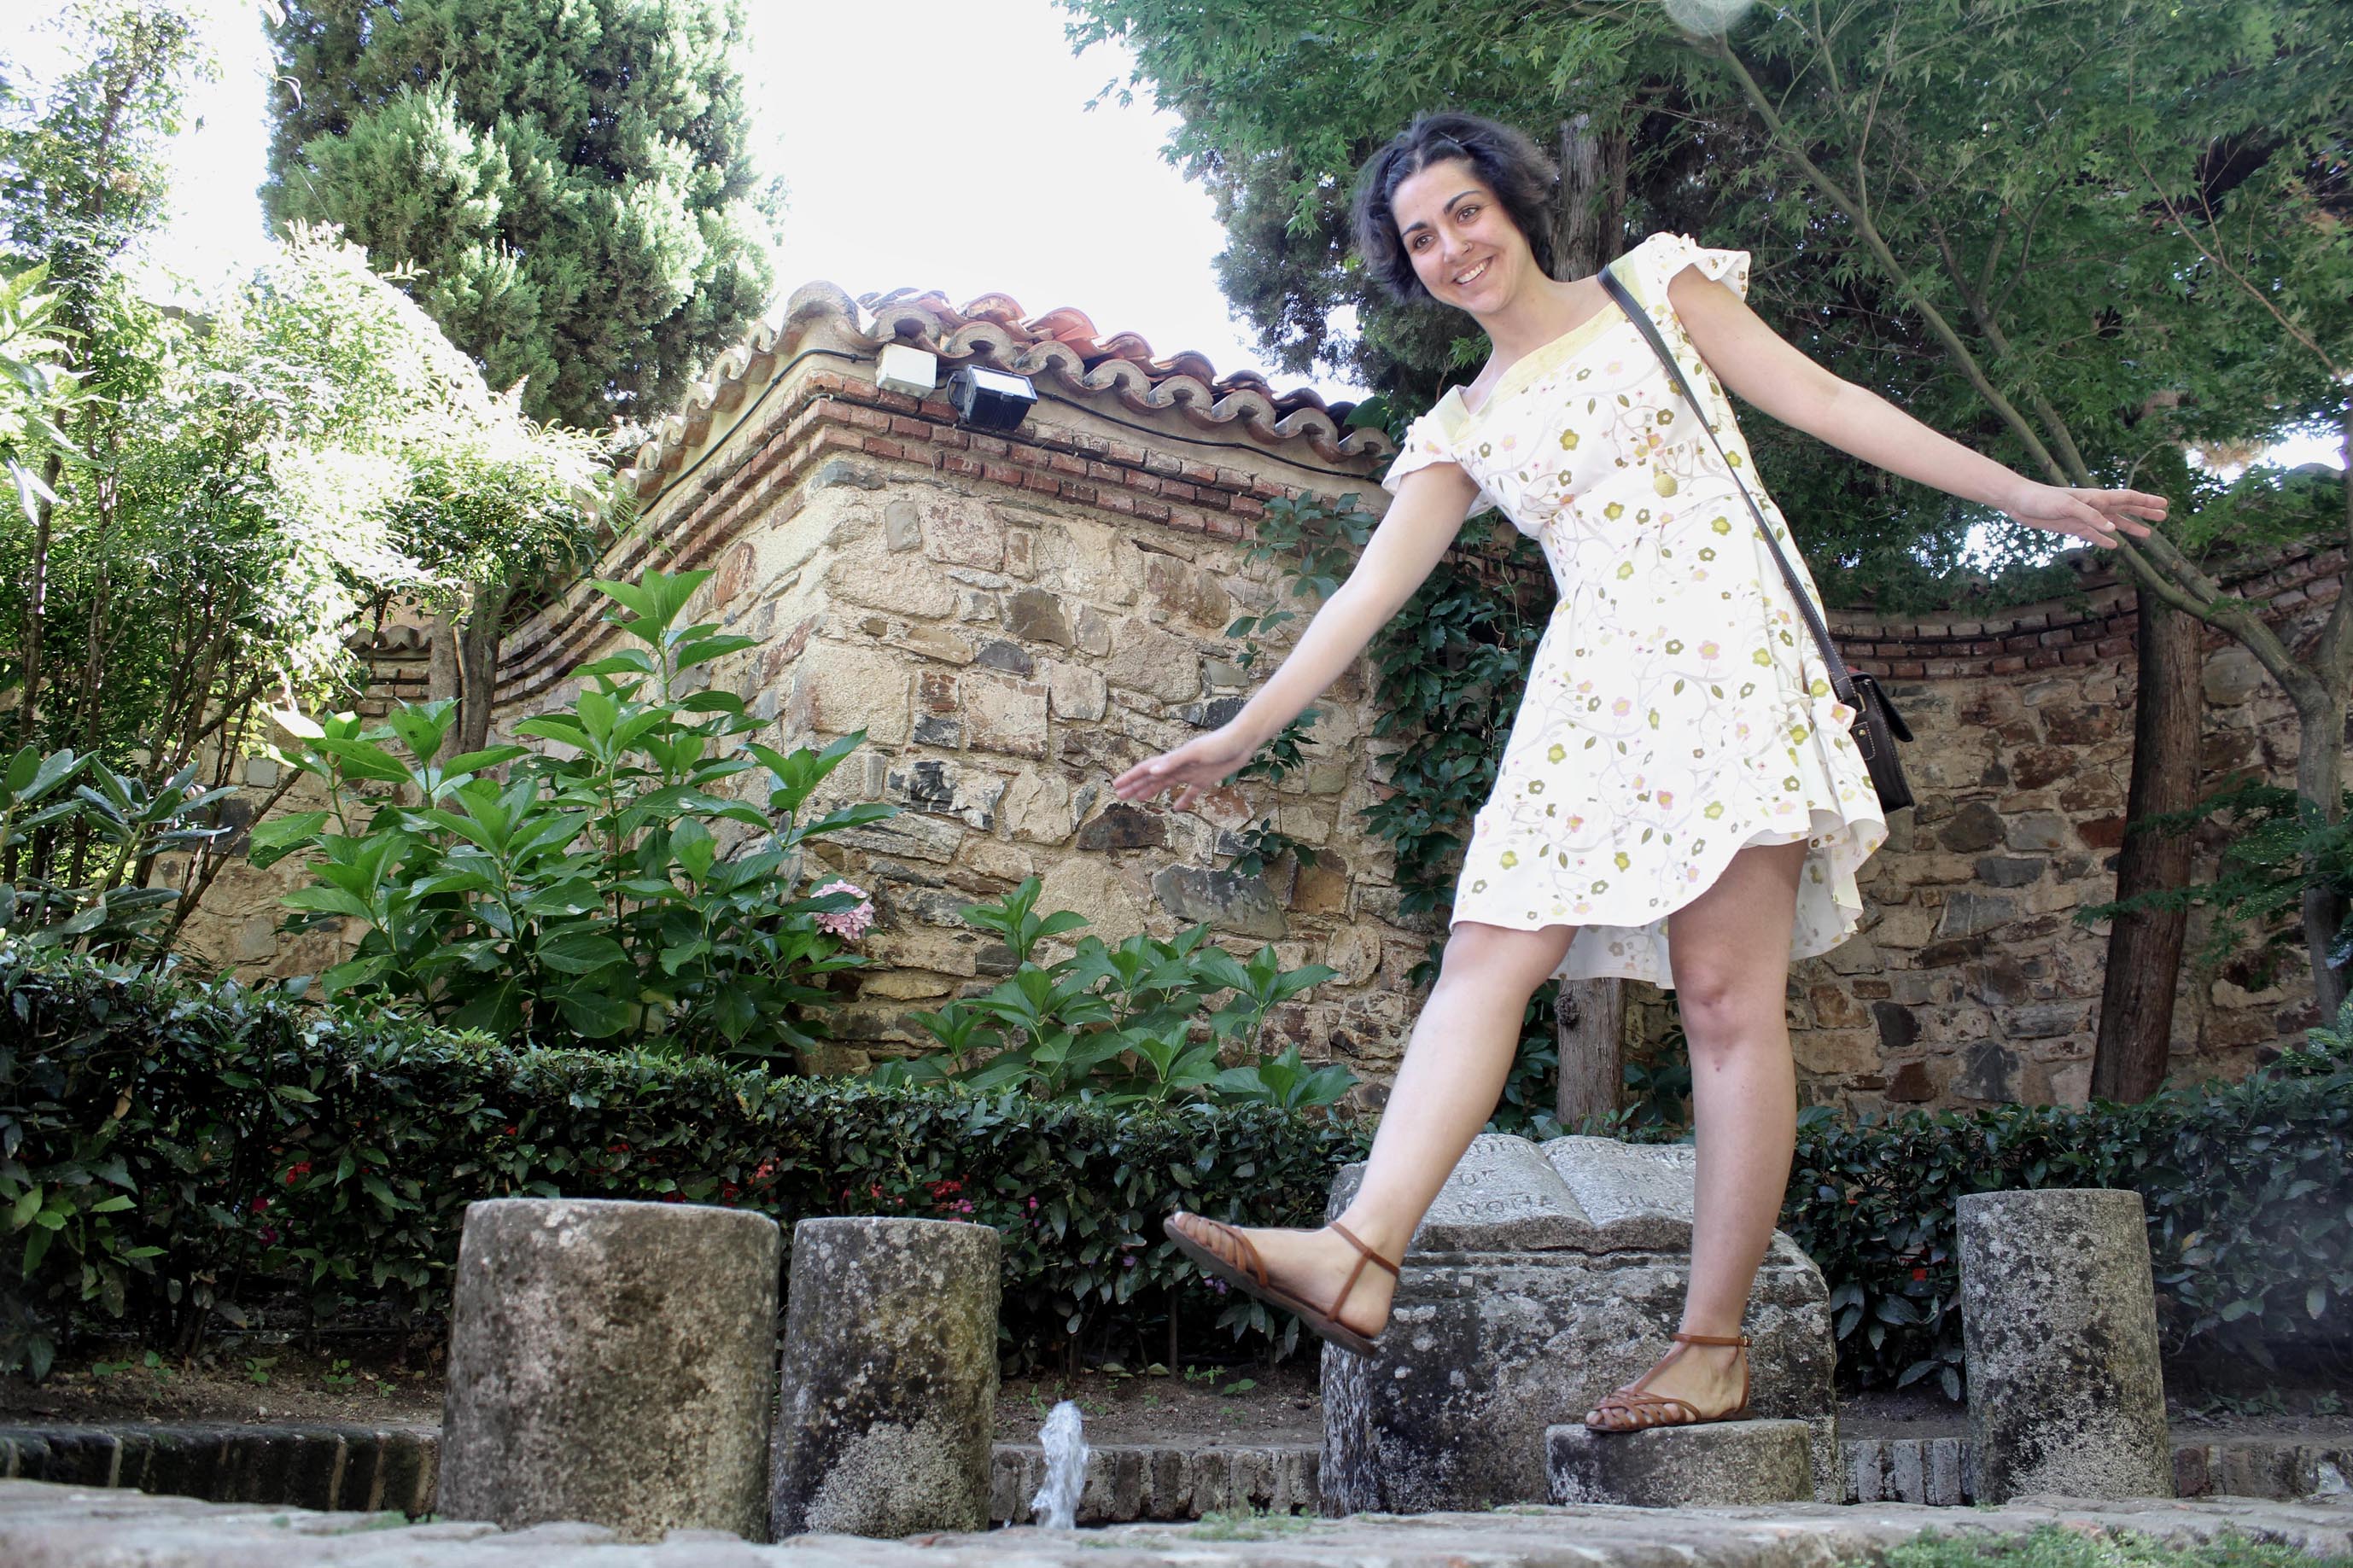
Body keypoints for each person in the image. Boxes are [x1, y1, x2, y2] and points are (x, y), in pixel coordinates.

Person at [1110, 112, 2164, 1432]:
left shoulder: (1654, 289)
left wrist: (2022, 495)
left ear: (1513, 204)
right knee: (1486, 950)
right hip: (1587, 696)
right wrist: (1241, 730)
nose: (1451, 246)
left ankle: (1710, 1344)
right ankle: (1361, 1250)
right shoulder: (1460, 426)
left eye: (1464, 212)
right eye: (1420, 237)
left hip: (1728, 661)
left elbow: (1828, 402)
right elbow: (1365, 594)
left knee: (1726, 1002)